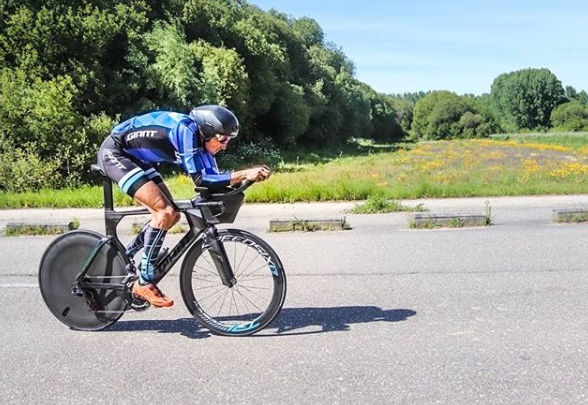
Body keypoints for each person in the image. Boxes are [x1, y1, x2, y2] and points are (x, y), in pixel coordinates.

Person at [97, 105, 271, 307]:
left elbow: (213, 181)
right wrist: (243, 174)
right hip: (116, 153)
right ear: (207, 131)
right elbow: (201, 180)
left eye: (229, 140)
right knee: (165, 212)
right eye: (222, 139)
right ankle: (143, 282)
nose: (225, 145)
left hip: (138, 159)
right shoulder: (186, 130)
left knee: (173, 215)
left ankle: (126, 256)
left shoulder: (202, 142)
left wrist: (243, 180)